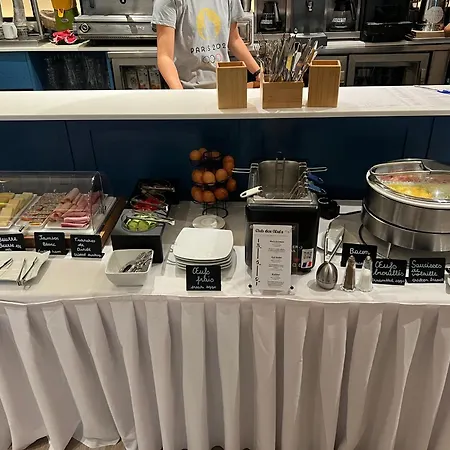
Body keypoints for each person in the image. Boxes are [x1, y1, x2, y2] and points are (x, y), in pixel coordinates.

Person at [152, 0, 261, 89]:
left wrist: (258, 72)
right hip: (189, 88)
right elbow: (165, 57)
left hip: (225, 87)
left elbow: (234, 40)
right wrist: (180, 94)